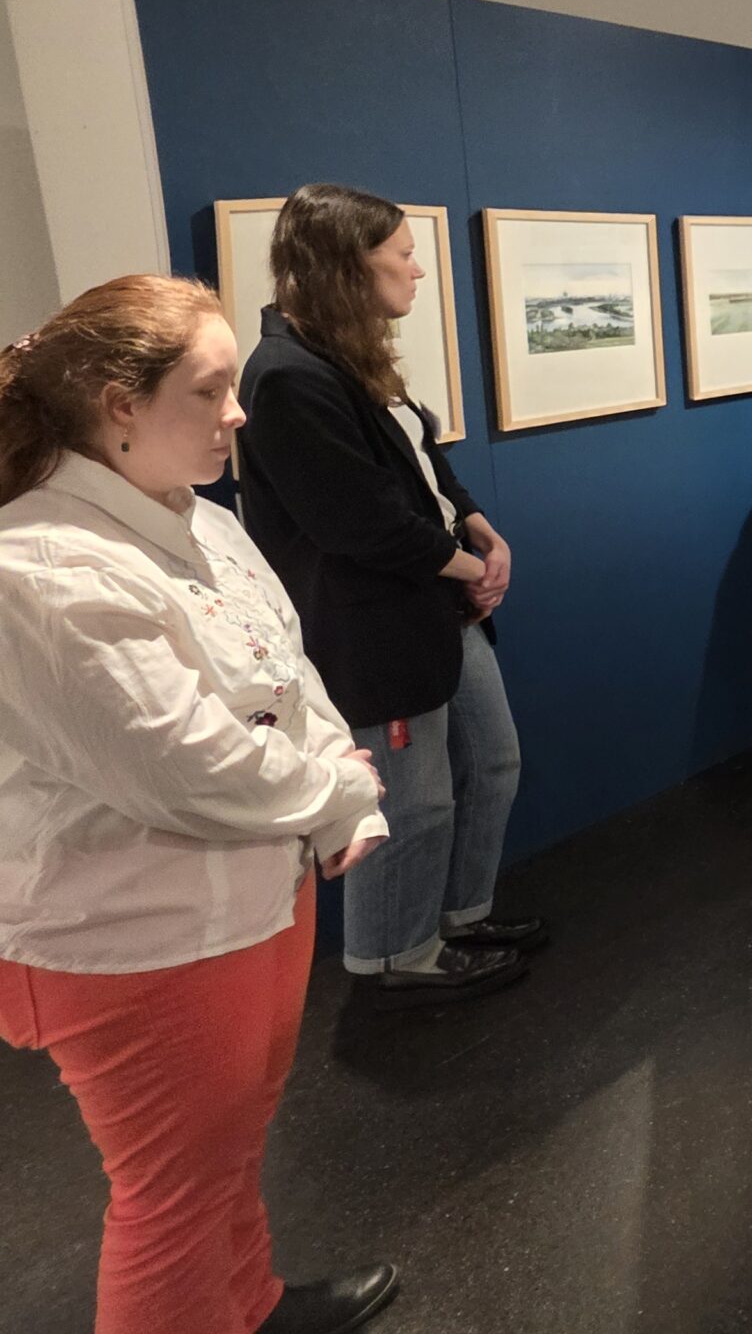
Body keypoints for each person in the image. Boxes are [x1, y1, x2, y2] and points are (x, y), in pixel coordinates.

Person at [0, 275, 401, 1334]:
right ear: (119, 407)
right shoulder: (40, 567)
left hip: (250, 895)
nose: (238, 413)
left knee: (228, 1149)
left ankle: (247, 1304)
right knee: (170, 1193)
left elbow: (286, 672)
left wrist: (339, 796)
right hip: (137, 935)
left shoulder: (201, 519)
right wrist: (334, 791)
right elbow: (185, 766)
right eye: (210, 390)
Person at [236, 184, 537, 1007]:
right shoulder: (287, 376)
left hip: (434, 603)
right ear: (347, 266)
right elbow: (359, 523)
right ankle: (396, 954)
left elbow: (423, 463)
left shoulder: (349, 356)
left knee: (493, 763)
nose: (418, 270)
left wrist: (479, 528)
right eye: (402, 254)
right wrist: (472, 569)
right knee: (412, 800)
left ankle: (462, 917)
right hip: (376, 623)